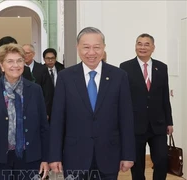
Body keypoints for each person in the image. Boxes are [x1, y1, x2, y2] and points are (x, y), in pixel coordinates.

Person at [49, 27, 135, 180]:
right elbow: (57, 120)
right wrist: (55, 155)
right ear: (78, 48)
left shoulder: (119, 76)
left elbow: (126, 118)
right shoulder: (65, 77)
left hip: (109, 155)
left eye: (97, 47)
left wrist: (128, 154)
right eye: (86, 47)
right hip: (75, 156)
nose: (91, 52)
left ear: (103, 48)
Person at [0, 43, 49, 180]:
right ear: (2, 65)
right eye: (10, 61)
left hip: (30, 159)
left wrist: (45, 158)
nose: (16, 65)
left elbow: (43, 127)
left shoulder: (35, 90)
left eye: (19, 60)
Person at [120, 33, 173, 180]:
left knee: (162, 159)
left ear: (153, 47)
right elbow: (123, 99)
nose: (142, 47)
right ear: (135, 46)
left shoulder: (162, 67)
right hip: (135, 124)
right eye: (139, 43)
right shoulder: (125, 67)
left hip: (158, 124)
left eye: (146, 44)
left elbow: (164, 97)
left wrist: (169, 121)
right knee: (137, 164)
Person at [23, 44, 54, 119]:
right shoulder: (18, 68)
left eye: (27, 53)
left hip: (38, 105)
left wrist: (46, 111)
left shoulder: (42, 69)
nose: (25, 55)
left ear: (33, 54)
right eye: (22, 53)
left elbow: (48, 92)